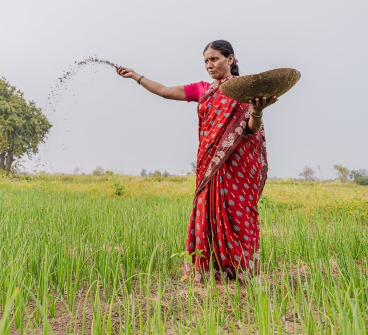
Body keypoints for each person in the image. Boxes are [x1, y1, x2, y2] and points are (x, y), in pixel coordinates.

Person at [116, 40, 277, 282]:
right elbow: (163, 90)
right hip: (209, 167)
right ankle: (209, 273)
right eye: (206, 61)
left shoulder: (244, 89)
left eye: (214, 59)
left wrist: (257, 111)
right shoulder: (203, 89)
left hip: (237, 166)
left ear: (230, 59)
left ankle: (242, 274)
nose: (209, 65)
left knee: (240, 214)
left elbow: (251, 130)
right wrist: (136, 76)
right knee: (209, 211)